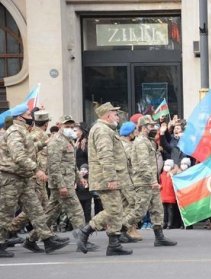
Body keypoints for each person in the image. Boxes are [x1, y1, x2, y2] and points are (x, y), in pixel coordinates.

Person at [0, 104, 70, 257]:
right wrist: (36, 169)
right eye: (27, 113)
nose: (30, 115)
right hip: (11, 178)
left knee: (36, 209)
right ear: (19, 117)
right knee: (5, 213)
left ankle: (47, 239)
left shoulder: (22, 130)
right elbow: (18, 156)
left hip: (23, 178)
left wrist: (43, 143)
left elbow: (28, 149)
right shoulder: (14, 131)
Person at [76, 102, 133, 256]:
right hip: (106, 179)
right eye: (115, 114)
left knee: (116, 210)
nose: (118, 116)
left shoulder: (106, 129)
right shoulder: (102, 130)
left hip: (109, 177)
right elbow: (105, 155)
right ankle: (85, 231)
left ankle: (114, 244)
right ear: (107, 115)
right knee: (113, 210)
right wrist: (111, 178)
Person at [27, 115, 88, 251]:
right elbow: (53, 166)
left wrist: (79, 178)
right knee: (77, 211)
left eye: (72, 127)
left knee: (50, 214)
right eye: (67, 126)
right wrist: (61, 185)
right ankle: (83, 240)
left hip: (65, 182)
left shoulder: (68, 140)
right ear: (60, 126)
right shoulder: (56, 141)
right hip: (61, 184)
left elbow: (71, 164)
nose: (70, 129)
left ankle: (31, 239)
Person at [131, 115, 177, 246]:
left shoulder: (149, 141)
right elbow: (144, 164)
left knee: (157, 209)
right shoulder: (140, 142)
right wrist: (152, 181)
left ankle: (159, 237)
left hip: (151, 181)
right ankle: (116, 233)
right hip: (144, 182)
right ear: (144, 128)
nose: (153, 128)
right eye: (150, 126)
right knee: (138, 211)